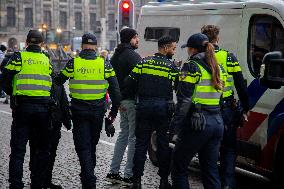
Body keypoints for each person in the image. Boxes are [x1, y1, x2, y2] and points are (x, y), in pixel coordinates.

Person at [55, 33, 121, 189]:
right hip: (98, 112)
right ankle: (88, 174)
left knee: (83, 147)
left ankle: (89, 179)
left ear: (82, 46)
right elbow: (116, 92)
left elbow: (58, 81)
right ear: (96, 47)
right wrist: (112, 115)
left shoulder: (73, 63)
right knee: (91, 145)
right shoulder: (105, 64)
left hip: (79, 112)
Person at [170, 33, 227, 189]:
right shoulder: (218, 68)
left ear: (193, 49)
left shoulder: (191, 66)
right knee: (210, 170)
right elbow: (222, 97)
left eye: (188, 48)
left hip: (197, 123)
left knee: (179, 167)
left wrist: (174, 127)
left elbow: (184, 100)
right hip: (216, 123)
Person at [125, 36, 178, 189]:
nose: (174, 51)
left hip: (144, 107)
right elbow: (180, 87)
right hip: (163, 109)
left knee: (141, 144)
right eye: (173, 48)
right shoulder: (171, 66)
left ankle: (137, 181)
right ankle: (163, 181)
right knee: (162, 145)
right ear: (166, 48)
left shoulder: (143, 62)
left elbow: (128, 82)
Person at [1, 30, 53, 189]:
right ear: (42, 43)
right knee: (41, 149)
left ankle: (16, 184)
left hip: (22, 107)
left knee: (18, 150)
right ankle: (37, 183)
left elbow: (4, 78)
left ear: (27, 42)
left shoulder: (18, 57)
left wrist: (11, 93)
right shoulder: (46, 60)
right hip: (43, 110)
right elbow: (51, 80)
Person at [201, 25, 250, 189]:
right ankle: (227, 184)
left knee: (208, 151)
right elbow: (241, 84)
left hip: (206, 111)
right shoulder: (229, 57)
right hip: (227, 111)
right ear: (217, 38)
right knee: (228, 149)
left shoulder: (198, 57)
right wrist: (246, 107)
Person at [106, 28, 141, 185]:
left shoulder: (115, 56)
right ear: (131, 39)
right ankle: (128, 174)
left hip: (120, 102)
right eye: (136, 37)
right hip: (132, 101)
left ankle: (113, 172)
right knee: (133, 138)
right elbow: (140, 78)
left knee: (123, 136)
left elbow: (111, 82)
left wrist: (116, 102)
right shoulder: (133, 56)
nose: (138, 40)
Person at [29, 76, 72, 189]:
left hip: (43, 121)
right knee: (49, 152)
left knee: (37, 150)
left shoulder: (36, 79)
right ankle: (42, 180)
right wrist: (67, 121)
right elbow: (64, 103)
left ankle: (38, 179)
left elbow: (63, 102)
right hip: (52, 121)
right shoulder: (56, 81)